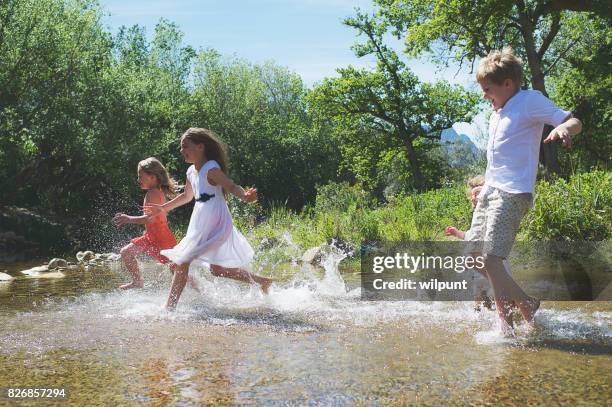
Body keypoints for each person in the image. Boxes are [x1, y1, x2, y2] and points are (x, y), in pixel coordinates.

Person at [467, 47, 582, 334]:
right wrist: (483, 186)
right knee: (472, 257)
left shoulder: (529, 100)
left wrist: (565, 129)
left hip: (514, 193)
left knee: (492, 259)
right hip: (492, 191)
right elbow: (499, 160)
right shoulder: (498, 113)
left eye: (487, 89)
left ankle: (504, 327)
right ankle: (526, 302)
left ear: (508, 84)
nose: (485, 95)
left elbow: (574, 120)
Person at [146, 127, 272, 309]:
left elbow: (231, 186)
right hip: (199, 224)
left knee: (182, 262)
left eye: (185, 147)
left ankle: (168, 309)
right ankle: (263, 282)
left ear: (200, 147)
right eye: (181, 148)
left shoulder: (210, 168)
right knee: (217, 270)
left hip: (217, 224)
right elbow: (187, 197)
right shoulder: (191, 172)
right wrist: (162, 209)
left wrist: (245, 196)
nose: (182, 151)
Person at [114, 157, 178, 290]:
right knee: (126, 252)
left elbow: (149, 219)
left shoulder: (154, 193)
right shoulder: (153, 192)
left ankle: (200, 290)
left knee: (177, 270)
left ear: (152, 177)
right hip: (151, 236)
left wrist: (128, 219)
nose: (138, 180)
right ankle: (137, 282)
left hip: (162, 239)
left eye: (140, 176)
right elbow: (152, 220)